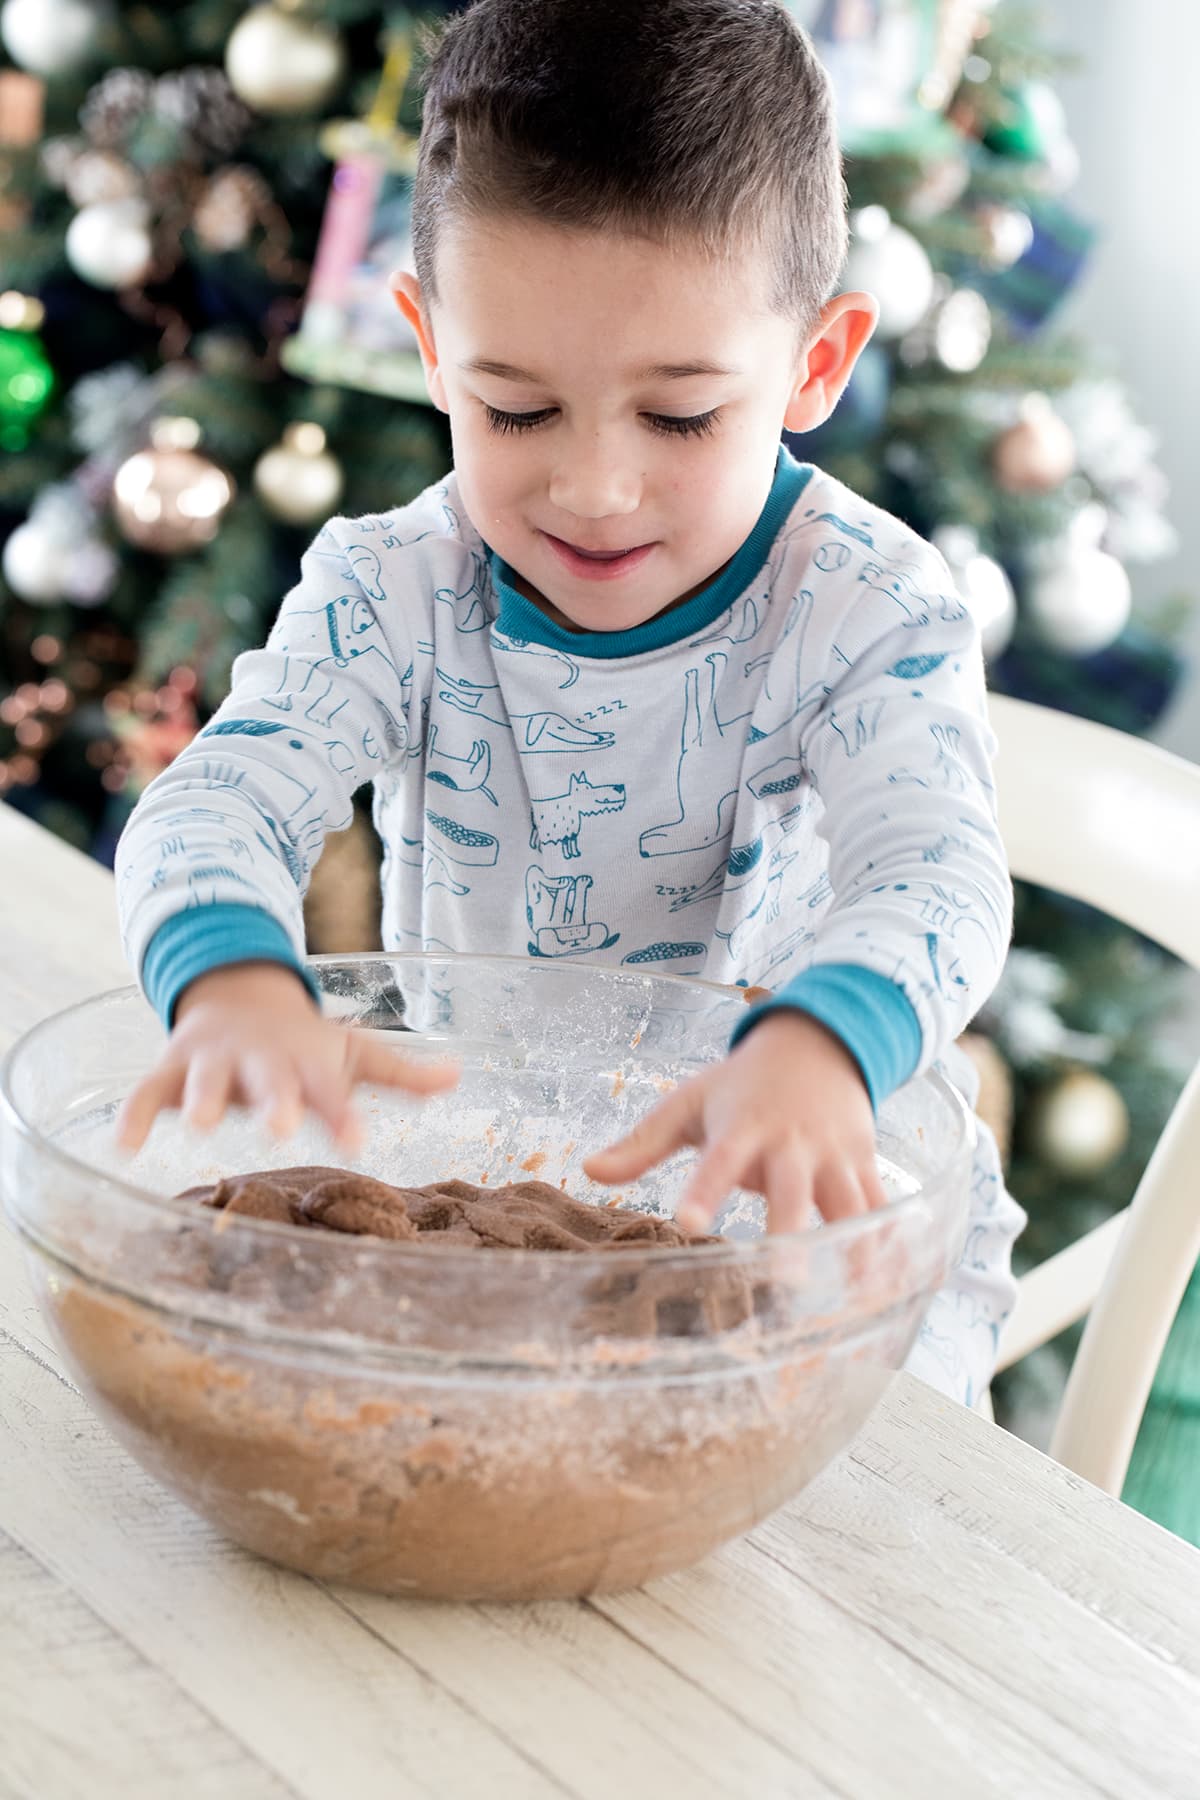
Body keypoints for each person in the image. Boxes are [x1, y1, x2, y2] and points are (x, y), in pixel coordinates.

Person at [114, 0, 1024, 1405]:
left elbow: (939, 873)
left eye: (678, 418)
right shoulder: (392, 588)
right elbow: (219, 798)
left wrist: (824, 1040)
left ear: (817, 365)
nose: (594, 489)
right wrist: (233, 978)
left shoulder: (872, 611)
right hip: (500, 1193)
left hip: (821, 1209)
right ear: (428, 345)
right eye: (518, 411)